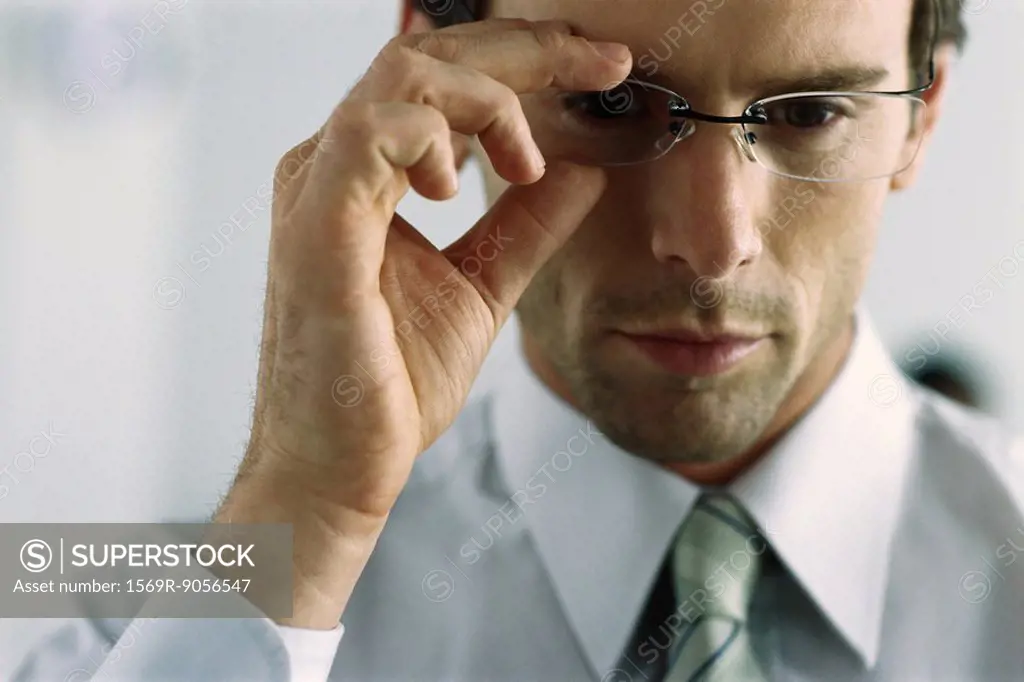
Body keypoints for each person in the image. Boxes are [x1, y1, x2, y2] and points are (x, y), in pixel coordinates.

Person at [14, 0, 1024, 680]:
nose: (713, 246)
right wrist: (304, 504)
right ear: (427, 71)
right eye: (607, 105)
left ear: (921, 115)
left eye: (809, 113)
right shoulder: (139, 609)